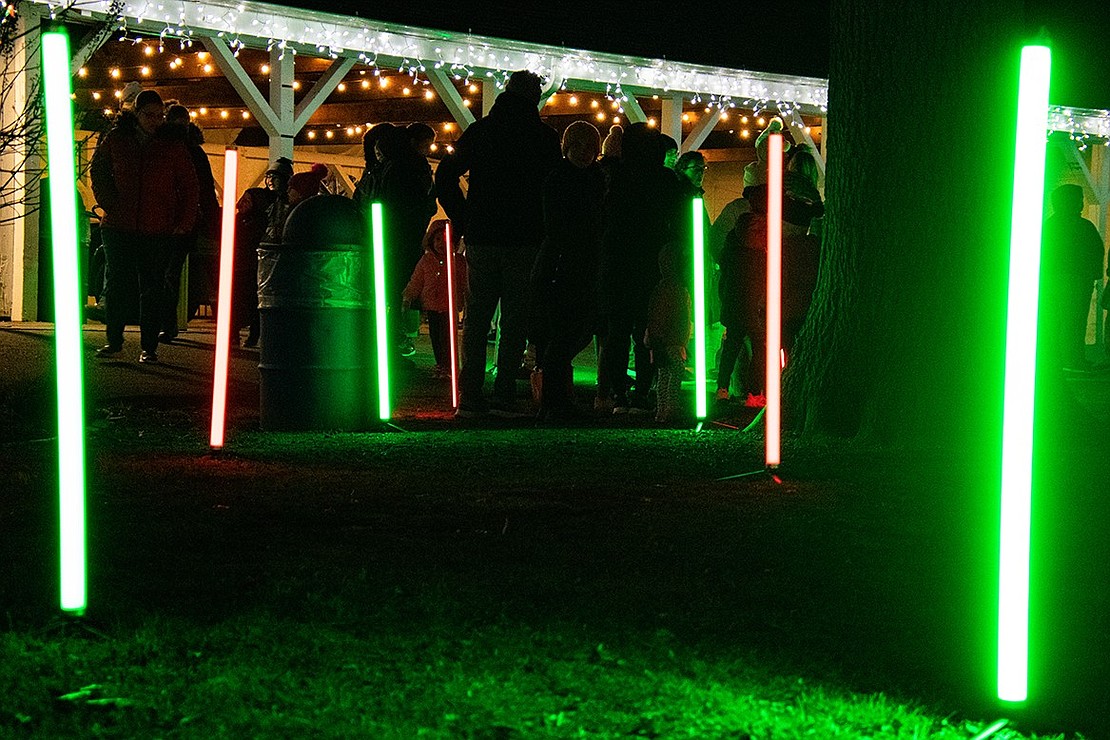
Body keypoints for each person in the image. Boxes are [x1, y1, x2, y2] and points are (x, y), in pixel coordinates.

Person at [435, 70, 561, 417]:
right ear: (534, 96)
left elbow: (445, 174)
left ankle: (471, 394)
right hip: (526, 237)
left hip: (483, 235)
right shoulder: (544, 138)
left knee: (476, 319)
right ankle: (504, 392)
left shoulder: (482, 131)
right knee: (515, 319)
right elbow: (555, 189)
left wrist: (463, 218)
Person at [90, 89, 199, 363]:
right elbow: (99, 169)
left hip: (155, 227)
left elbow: (189, 185)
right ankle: (115, 340)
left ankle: (148, 347)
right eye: (150, 115)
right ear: (136, 114)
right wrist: (109, 202)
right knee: (118, 284)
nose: (155, 121)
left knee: (150, 288)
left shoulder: (172, 146)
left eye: (160, 116)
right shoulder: (118, 139)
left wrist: (183, 222)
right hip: (120, 224)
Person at [715, 145, 822, 406]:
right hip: (778, 304)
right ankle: (765, 390)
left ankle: (751, 390)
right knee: (770, 346)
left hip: (761, 302)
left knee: (759, 346)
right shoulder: (795, 242)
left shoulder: (751, 233)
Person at [597, 122, 687, 414]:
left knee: (617, 332)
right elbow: (679, 223)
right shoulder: (666, 181)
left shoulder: (612, 177)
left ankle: (618, 395)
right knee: (649, 331)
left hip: (616, 261)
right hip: (653, 262)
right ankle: (642, 393)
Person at [531, 121, 606, 421]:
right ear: (568, 147)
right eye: (581, 147)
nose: (586, 154)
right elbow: (557, 225)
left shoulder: (589, 179)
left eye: (591, 148)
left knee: (572, 331)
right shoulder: (563, 180)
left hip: (580, 262)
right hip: (564, 263)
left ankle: (556, 399)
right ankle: (554, 400)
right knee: (564, 331)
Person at [373, 126, 438, 358]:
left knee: (394, 286)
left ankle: (392, 335)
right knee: (403, 286)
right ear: (414, 142)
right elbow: (422, 200)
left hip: (392, 235)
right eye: (427, 143)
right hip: (407, 234)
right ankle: (398, 335)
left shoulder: (391, 167)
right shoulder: (414, 168)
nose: (428, 149)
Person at [159, 103, 219, 343]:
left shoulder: (161, 147)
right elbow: (205, 188)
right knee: (188, 272)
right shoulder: (195, 151)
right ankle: (173, 322)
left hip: (170, 219)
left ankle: (167, 323)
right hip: (191, 220)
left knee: (167, 273)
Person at [1040, 183, 1105, 371]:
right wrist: (1093, 276)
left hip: (1050, 281)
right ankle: (1074, 360)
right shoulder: (1083, 226)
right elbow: (1095, 251)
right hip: (1077, 281)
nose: (1082, 203)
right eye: (1079, 199)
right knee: (1075, 322)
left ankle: (1055, 362)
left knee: (1055, 323)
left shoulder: (1049, 226)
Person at [233, 157, 292, 347]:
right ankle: (237, 333)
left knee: (258, 298)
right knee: (244, 296)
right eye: (270, 177)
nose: (272, 181)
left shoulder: (286, 201)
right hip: (250, 254)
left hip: (268, 255)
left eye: (276, 177)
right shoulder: (258, 196)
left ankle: (254, 333)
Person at [402, 219, 468, 377]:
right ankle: (441, 364)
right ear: (431, 240)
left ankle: (449, 366)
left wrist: (465, 301)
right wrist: (408, 296)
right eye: (437, 239)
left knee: (447, 339)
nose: (440, 243)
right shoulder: (426, 261)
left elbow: (465, 282)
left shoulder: (457, 262)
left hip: (448, 307)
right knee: (436, 339)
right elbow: (416, 281)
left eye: (445, 240)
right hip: (431, 306)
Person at [646, 242, 693, 424]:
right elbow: (667, 316)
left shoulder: (665, 288)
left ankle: (662, 410)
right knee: (674, 371)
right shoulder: (673, 289)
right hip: (670, 340)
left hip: (667, 339)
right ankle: (669, 408)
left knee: (665, 372)